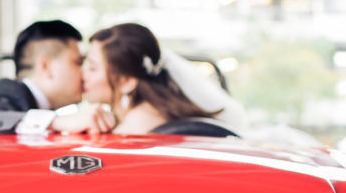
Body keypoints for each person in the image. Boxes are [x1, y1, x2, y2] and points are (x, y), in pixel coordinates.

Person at [0, 20, 114, 137]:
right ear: (46, 67)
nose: (84, 73)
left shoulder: (37, 105)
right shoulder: (6, 90)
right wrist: (57, 122)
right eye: (78, 62)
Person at [83, 23, 241, 137]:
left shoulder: (131, 131)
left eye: (92, 68)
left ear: (127, 81)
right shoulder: (167, 114)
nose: (84, 75)